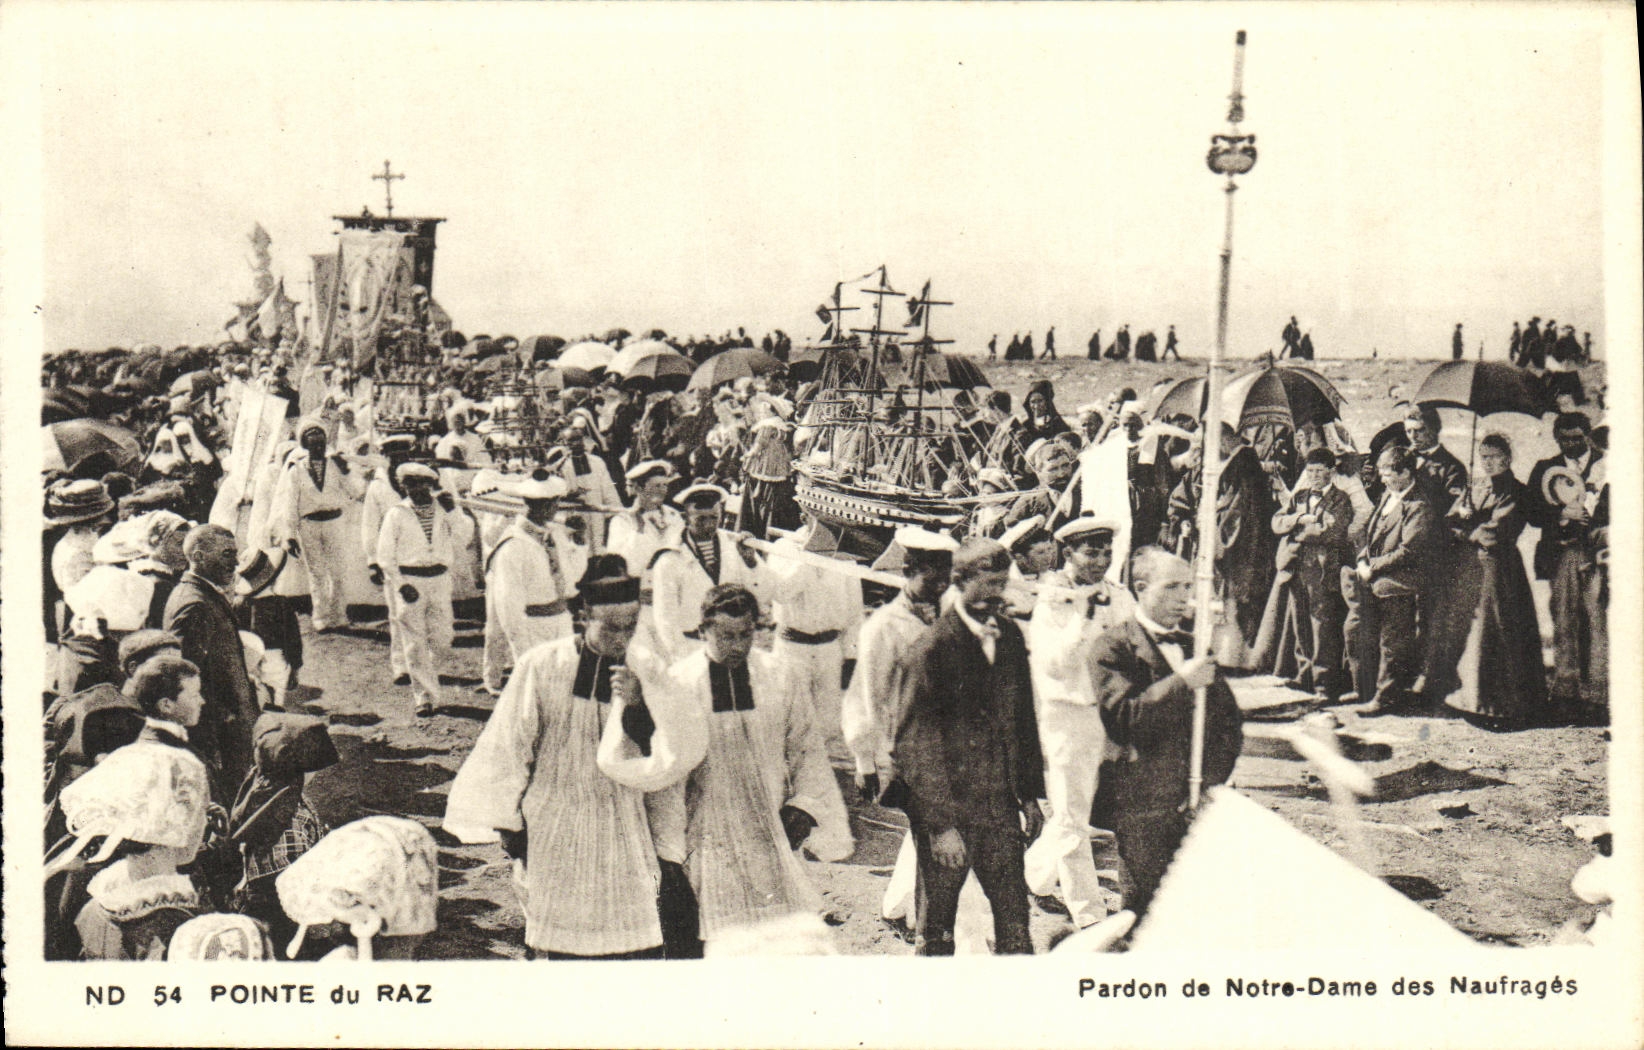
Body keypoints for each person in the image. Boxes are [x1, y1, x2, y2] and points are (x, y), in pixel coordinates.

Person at [445, 557, 702, 958]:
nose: (622, 638)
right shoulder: (542, 666)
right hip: (555, 823)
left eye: (631, 627)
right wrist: (511, 832)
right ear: (584, 616)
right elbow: (509, 749)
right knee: (562, 943)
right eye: (611, 627)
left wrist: (636, 707)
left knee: (633, 942)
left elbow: (665, 761)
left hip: (624, 823)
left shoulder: (647, 666)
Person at [668, 584, 851, 948]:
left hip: (769, 826)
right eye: (726, 636)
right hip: (705, 834)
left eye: (745, 634)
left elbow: (807, 749)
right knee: (715, 938)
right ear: (703, 630)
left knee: (776, 939)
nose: (737, 646)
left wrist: (804, 807)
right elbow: (667, 770)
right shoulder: (678, 683)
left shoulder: (781, 675)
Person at [894, 539, 1045, 955]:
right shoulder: (930, 650)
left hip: (999, 809)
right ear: (960, 581)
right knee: (937, 933)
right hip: (949, 814)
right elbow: (914, 747)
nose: (999, 592)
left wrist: (1030, 797)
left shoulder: (1010, 637)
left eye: (1003, 582)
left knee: (1015, 925)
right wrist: (940, 826)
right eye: (990, 582)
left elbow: (1023, 721)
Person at [1091, 548, 1243, 918]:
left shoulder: (1193, 645)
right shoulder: (1112, 646)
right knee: (1145, 915)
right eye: (1172, 586)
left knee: (1197, 913)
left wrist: (1208, 784)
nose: (1183, 598)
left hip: (1194, 803)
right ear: (1141, 588)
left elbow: (1228, 727)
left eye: (1188, 586)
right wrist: (1182, 683)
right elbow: (1125, 719)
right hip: (1142, 807)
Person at [1024, 516, 1134, 929]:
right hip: (1066, 714)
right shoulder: (1052, 601)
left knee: (1079, 811)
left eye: (1107, 551)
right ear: (1067, 553)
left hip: (1108, 714)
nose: (1101, 560)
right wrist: (1084, 620)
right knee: (1072, 818)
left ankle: (1033, 873)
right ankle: (1089, 915)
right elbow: (1056, 665)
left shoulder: (1117, 596)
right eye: (1091, 552)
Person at [54, 742, 212, 961]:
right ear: (177, 821)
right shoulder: (191, 920)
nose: (204, 822)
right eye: (201, 810)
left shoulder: (95, 910)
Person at [1442, 435, 1548, 724]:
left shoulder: (1516, 491)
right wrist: (1462, 513)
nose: (1488, 462)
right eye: (1483, 456)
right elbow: (1449, 522)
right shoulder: (1475, 487)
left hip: (1500, 568)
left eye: (1494, 456)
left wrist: (1468, 526)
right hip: (1472, 566)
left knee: (1497, 627)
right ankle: (1471, 697)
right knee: (1474, 627)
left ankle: (1503, 704)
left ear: (1507, 458)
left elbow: (1495, 533)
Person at [227, 713, 338, 958]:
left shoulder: (265, 789)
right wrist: (319, 926)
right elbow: (292, 884)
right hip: (284, 917)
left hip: (269, 902)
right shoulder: (289, 815)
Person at [163, 525, 260, 801]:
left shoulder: (201, 594)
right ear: (199, 556)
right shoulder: (194, 604)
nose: (236, 561)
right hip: (219, 731)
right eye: (227, 554)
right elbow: (182, 672)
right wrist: (223, 716)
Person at [1524, 412, 1607, 712]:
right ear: (1556, 437)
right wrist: (1561, 515)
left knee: (1599, 620)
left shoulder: (1610, 464)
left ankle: (1599, 693)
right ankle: (1565, 689)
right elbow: (1532, 513)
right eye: (1564, 438)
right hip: (1562, 553)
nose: (1571, 443)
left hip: (1600, 553)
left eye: (1577, 437)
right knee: (1563, 618)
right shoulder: (1546, 468)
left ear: (1588, 435)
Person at [1258, 448, 1354, 701]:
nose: (1314, 476)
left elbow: (1330, 532)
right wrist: (1300, 518)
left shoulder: (1340, 500)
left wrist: (1296, 530)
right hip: (1294, 568)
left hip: (1321, 571)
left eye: (1320, 471)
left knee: (1321, 626)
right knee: (1300, 622)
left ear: (1331, 472)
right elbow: (1276, 523)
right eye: (1310, 471)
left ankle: (1324, 684)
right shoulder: (1299, 497)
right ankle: (1304, 676)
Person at [481, 470, 587, 695]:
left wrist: (578, 543)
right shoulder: (512, 545)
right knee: (537, 691)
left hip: (562, 621)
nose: (553, 509)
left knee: (565, 688)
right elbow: (508, 607)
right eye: (550, 504)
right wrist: (522, 649)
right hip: (533, 626)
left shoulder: (555, 535)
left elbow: (574, 577)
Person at [1351, 447, 1437, 716]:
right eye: (1382, 473)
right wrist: (1364, 558)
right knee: (1362, 632)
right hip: (1377, 579)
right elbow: (1372, 532)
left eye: (1388, 474)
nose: (1383, 479)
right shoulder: (1389, 496)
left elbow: (1408, 550)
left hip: (1400, 585)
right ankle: (1367, 689)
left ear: (1406, 473)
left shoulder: (1418, 505)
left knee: (1392, 643)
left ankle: (1387, 698)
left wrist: (1372, 567)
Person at [374, 463, 456, 716]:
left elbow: (464, 536)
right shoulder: (396, 514)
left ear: (430, 485)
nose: (417, 488)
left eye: (422, 483)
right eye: (410, 483)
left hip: (440, 579)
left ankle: (426, 675)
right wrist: (401, 584)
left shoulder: (444, 509)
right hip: (411, 582)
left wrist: (453, 511)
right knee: (414, 642)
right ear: (402, 486)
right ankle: (424, 696)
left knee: (443, 639)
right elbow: (385, 556)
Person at [650, 484, 762, 667]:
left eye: (714, 518)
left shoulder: (734, 547)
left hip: (733, 648)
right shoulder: (670, 558)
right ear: (685, 518)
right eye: (700, 519)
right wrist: (682, 658)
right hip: (691, 647)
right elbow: (665, 618)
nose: (709, 525)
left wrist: (751, 562)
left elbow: (760, 593)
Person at [271, 419, 365, 632]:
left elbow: (356, 491)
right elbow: (290, 504)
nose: (319, 449)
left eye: (322, 444)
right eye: (314, 444)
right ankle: (321, 616)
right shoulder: (296, 470)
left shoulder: (335, 465)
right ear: (305, 445)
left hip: (334, 522)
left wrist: (349, 471)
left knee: (339, 570)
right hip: (309, 526)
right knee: (317, 573)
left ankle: (340, 615)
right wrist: (290, 536)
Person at [1402, 404, 1469, 701]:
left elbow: (1454, 513)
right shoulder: (1403, 460)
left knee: (1431, 616)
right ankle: (1403, 673)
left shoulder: (1451, 467)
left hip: (1434, 553)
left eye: (1419, 431)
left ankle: (1431, 677)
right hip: (1403, 550)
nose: (1413, 437)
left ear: (1435, 430)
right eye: (1409, 432)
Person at [361, 434, 416, 686]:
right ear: (386, 458)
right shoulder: (378, 487)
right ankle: (400, 665)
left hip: (416, 556)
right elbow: (370, 525)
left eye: (404, 455)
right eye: (394, 456)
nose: (399, 460)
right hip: (390, 556)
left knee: (416, 613)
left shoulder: (417, 483)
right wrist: (373, 561)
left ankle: (419, 661)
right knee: (396, 613)